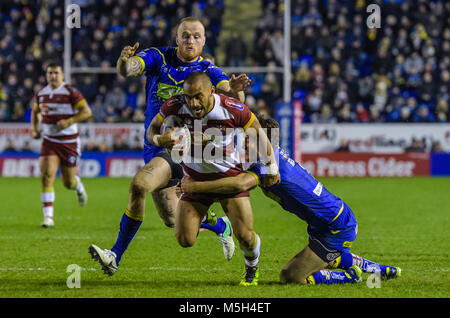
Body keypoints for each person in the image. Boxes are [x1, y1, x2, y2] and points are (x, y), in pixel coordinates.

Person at [89, 17, 251, 275]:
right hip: (155, 146)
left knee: (139, 184)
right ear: (177, 38)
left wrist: (235, 89)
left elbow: (232, 93)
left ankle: (114, 255)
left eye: (196, 36)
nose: (190, 40)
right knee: (172, 219)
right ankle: (219, 226)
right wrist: (123, 61)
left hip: (185, 151)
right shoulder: (159, 58)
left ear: (204, 40)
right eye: (185, 35)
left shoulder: (208, 71)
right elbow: (128, 69)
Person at [179, 118, 402, 285]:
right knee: (321, 256)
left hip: (337, 227)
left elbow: (239, 185)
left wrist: (195, 187)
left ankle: (350, 275)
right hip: (324, 223)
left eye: (249, 141)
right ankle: (373, 267)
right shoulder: (268, 154)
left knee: (291, 277)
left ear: (263, 142)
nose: (244, 145)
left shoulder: (268, 166)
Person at [147, 72, 280, 286]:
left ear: (212, 91)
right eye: (189, 97)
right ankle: (216, 223)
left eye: (198, 96)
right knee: (185, 239)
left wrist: (272, 167)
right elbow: (151, 130)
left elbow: (258, 132)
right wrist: (159, 139)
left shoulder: (231, 108)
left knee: (245, 236)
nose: (193, 102)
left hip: (229, 177)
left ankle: (251, 268)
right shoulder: (175, 105)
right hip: (194, 178)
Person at [30, 61, 92, 228]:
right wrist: (34, 129)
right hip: (49, 141)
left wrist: (70, 120)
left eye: (56, 72)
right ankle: (48, 218)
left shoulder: (70, 92)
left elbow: (87, 112)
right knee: (47, 176)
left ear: (62, 75)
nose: (53, 76)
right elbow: (35, 112)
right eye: (50, 73)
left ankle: (78, 186)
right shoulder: (41, 94)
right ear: (46, 75)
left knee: (68, 183)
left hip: (69, 142)